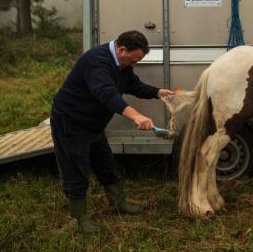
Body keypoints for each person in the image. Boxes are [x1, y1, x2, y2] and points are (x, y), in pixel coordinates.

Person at [50, 30, 174, 234]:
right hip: (71, 122)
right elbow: (106, 93)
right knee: (76, 168)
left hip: (93, 124)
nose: (133, 65)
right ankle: (80, 220)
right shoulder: (97, 62)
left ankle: (118, 203)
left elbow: (132, 85)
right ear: (121, 49)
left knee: (105, 163)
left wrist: (157, 93)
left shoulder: (122, 64)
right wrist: (136, 116)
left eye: (137, 62)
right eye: (133, 60)